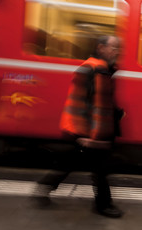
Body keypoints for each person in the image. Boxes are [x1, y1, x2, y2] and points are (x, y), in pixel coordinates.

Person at [32, 35, 123, 218]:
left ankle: (45, 186)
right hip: (89, 131)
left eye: (117, 48)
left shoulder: (103, 70)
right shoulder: (92, 70)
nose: (116, 51)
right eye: (113, 47)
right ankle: (104, 205)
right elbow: (80, 103)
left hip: (93, 130)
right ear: (100, 48)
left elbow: (102, 101)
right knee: (100, 169)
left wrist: (116, 112)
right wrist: (87, 134)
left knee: (71, 162)